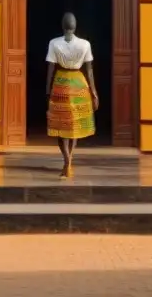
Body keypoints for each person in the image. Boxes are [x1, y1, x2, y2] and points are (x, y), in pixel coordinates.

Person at [45, 12, 99, 178]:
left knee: (62, 127)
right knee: (73, 126)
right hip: (78, 83)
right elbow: (89, 71)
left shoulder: (54, 43)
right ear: (75, 26)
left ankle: (67, 161)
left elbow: (51, 70)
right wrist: (94, 92)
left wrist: (48, 90)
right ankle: (69, 162)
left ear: (63, 25)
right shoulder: (85, 44)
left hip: (61, 83)